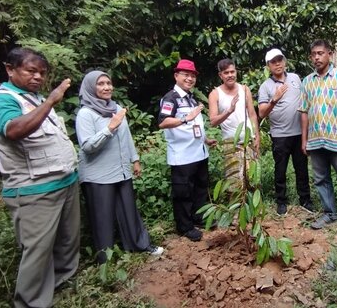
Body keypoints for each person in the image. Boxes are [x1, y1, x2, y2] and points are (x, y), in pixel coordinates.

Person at [0, 47, 80, 308]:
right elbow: (14, 130)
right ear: (10, 69)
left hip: (64, 181)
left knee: (67, 239)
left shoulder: (33, 98)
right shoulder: (1, 100)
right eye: (31, 71)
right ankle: (31, 302)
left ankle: (61, 285)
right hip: (34, 189)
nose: (38, 77)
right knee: (38, 250)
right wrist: (51, 101)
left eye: (42, 73)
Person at [76, 70, 164, 263]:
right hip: (98, 175)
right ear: (91, 87)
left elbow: (127, 137)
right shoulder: (85, 114)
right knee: (102, 217)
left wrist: (135, 159)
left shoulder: (116, 108)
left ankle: (139, 244)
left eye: (108, 83)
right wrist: (110, 128)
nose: (107, 87)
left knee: (129, 210)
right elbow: (88, 146)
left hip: (122, 171)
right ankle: (105, 260)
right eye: (100, 84)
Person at [300, 39, 337, 229]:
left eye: (320, 53)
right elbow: (304, 111)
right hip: (315, 140)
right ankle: (329, 213)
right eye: (313, 54)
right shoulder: (307, 81)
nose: (316, 57)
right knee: (320, 179)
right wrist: (304, 140)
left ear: (330, 54)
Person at [158, 59, 217, 242]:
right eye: (186, 75)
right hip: (182, 155)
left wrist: (206, 140)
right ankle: (185, 226)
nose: (190, 79)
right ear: (176, 76)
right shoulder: (171, 98)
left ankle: (198, 218)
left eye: (192, 76)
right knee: (183, 192)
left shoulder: (190, 98)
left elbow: (195, 124)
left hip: (199, 153)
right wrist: (185, 119)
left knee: (200, 188)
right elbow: (163, 122)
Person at [258, 48, 313, 215]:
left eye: (280, 60)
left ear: (285, 61)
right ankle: (281, 201)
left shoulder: (296, 78)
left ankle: (305, 199)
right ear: (268, 66)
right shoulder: (265, 86)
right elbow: (261, 113)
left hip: (299, 133)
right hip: (280, 135)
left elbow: (306, 101)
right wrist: (274, 100)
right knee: (280, 169)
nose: (277, 64)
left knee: (301, 168)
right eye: (273, 62)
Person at [208, 58, 260, 179]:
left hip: (249, 141)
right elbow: (213, 121)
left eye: (232, 72)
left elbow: (252, 114)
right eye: (226, 73)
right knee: (234, 184)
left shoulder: (244, 89)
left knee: (253, 181)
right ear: (220, 75)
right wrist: (228, 111)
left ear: (236, 72)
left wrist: (257, 136)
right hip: (231, 144)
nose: (230, 75)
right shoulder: (215, 94)